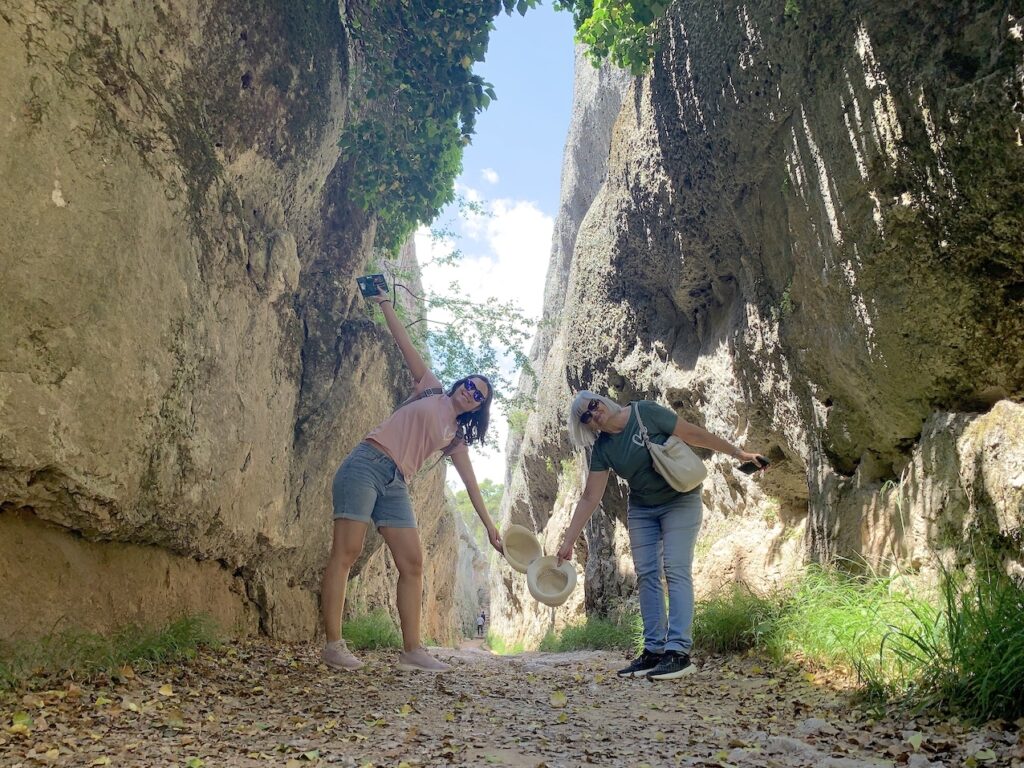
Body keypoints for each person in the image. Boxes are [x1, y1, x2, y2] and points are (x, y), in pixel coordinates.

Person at [320, 285, 504, 673]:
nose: (471, 393)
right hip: (367, 462)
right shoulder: (431, 388)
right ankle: (334, 645)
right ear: (459, 384)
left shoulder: (455, 437)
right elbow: (403, 342)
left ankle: (412, 652)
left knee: (413, 563)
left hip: (396, 483)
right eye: (470, 385)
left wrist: (490, 528)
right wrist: (384, 301)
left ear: (479, 408)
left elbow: (472, 486)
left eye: (479, 396)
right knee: (346, 552)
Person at [556, 391, 765, 681]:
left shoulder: (645, 412)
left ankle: (678, 652)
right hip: (642, 509)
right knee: (647, 575)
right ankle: (654, 651)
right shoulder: (603, 448)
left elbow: (693, 434)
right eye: (586, 416)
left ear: (602, 400)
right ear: (586, 426)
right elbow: (590, 496)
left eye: (593, 405)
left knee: (675, 569)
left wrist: (738, 453)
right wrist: (567, 541)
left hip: (680, 498)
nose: (594, 413)